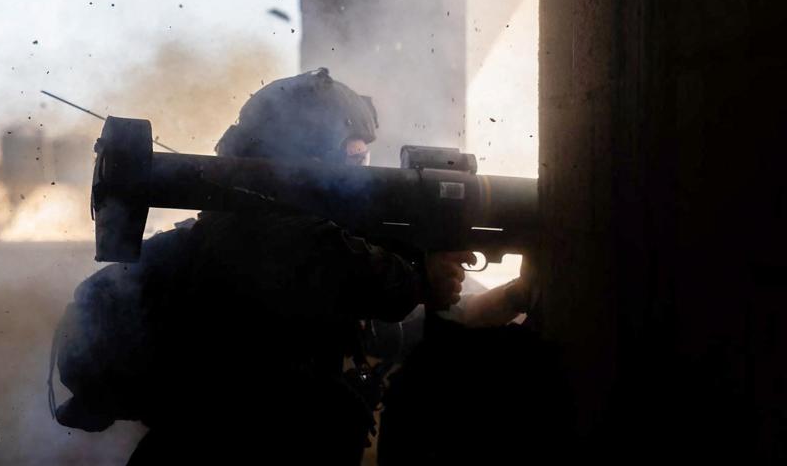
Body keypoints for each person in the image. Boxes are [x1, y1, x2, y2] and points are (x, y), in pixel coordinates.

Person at [127, 68, 530, 464]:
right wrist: (422, 278)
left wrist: (510, 297)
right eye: (353, 157)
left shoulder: (229, 232)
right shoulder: (270, 239)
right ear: (308, 156)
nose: (362, 173)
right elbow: (359, 274)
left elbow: (379, 330)